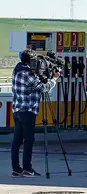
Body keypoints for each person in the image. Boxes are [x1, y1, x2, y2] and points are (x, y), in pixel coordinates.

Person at [10, 49, 60, 177]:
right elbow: (44, 88)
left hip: (17, 109)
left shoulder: (17, 70)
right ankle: (27, 168)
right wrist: (54, 79)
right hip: (27, 111)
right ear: (31, 61)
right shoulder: (27, 74)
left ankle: (16, 168)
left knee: (17, 140)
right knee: (29, 140)